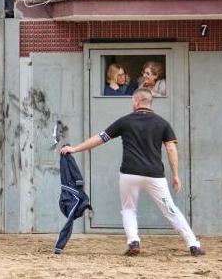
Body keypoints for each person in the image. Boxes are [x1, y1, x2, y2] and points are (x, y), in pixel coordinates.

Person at [60, 88, 205, 257]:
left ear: (136, 102)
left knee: (128, 209)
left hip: (129, 174)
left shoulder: (125, 121)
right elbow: (171, 149)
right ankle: (193, 245)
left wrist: (75, 149)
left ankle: (133, 241)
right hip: (155, 174)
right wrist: (176, 175)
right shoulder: (162, 123)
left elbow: (100, 138)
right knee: (170, 209)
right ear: (150, 102)